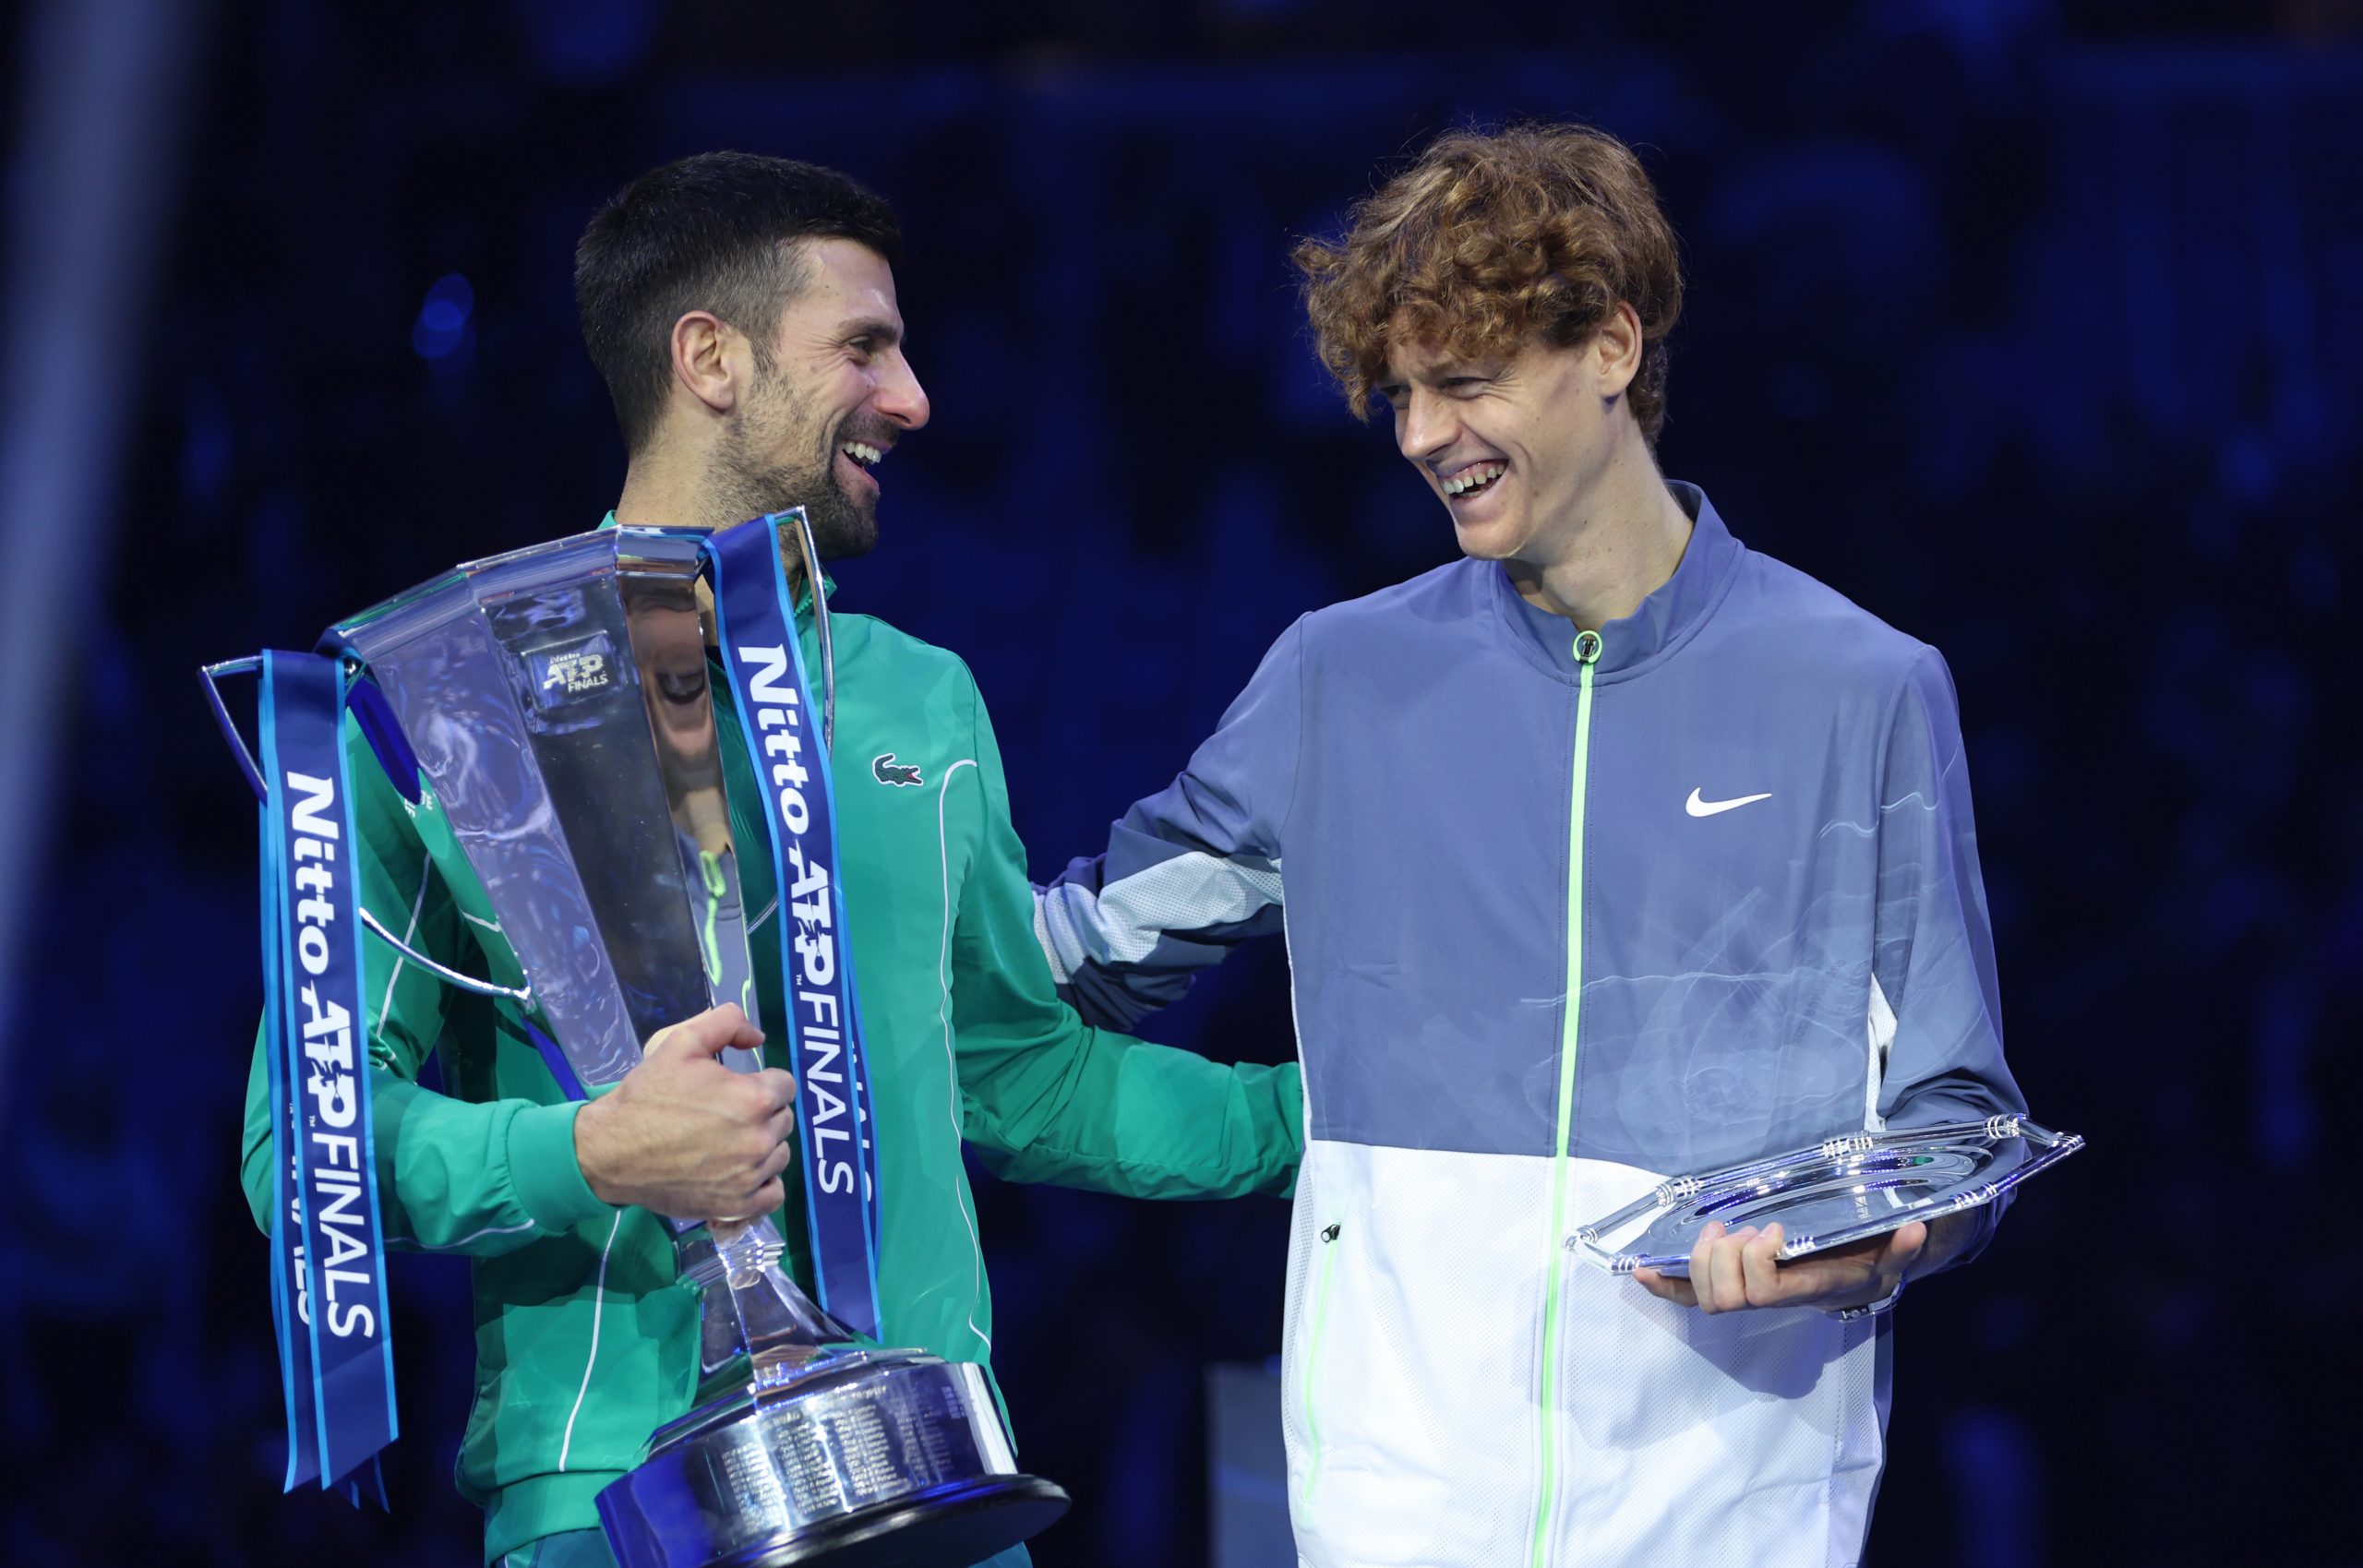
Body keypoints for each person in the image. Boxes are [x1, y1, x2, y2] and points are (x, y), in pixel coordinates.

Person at [238, 151, 1303, 1568]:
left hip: (932, 1485)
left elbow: (1016, 1069)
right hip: (621, 1507)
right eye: (864, 347)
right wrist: (591, 1152)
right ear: (711, 359)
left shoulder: (919, 696)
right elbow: (300, 1149)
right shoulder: (443, 695)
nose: (914, 397)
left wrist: (1341, 1123)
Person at [1035, 124, 2024, 1568]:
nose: (1423, 433)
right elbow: (1085, 957)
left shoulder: (1861, 686)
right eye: (1402, 393)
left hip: (1732, 1507)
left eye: (1467, 380)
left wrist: (1872, 1244)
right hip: (1394, 1508)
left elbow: (1957, 1123)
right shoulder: (1335, 680)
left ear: (1614, 345)